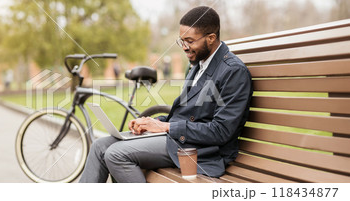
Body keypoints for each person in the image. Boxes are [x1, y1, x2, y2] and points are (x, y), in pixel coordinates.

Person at [79, 6, 253, 183]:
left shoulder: (233, 72)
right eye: (182, 41)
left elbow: (221, 131)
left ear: (211, 38)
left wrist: (167, 127)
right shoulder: (199, 66)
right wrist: (153, 123)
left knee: (116, 154)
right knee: (100, 146)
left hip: (203, 151)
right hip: (181, 140)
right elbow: (185, 115)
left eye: (190, 41)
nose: (185, 47)